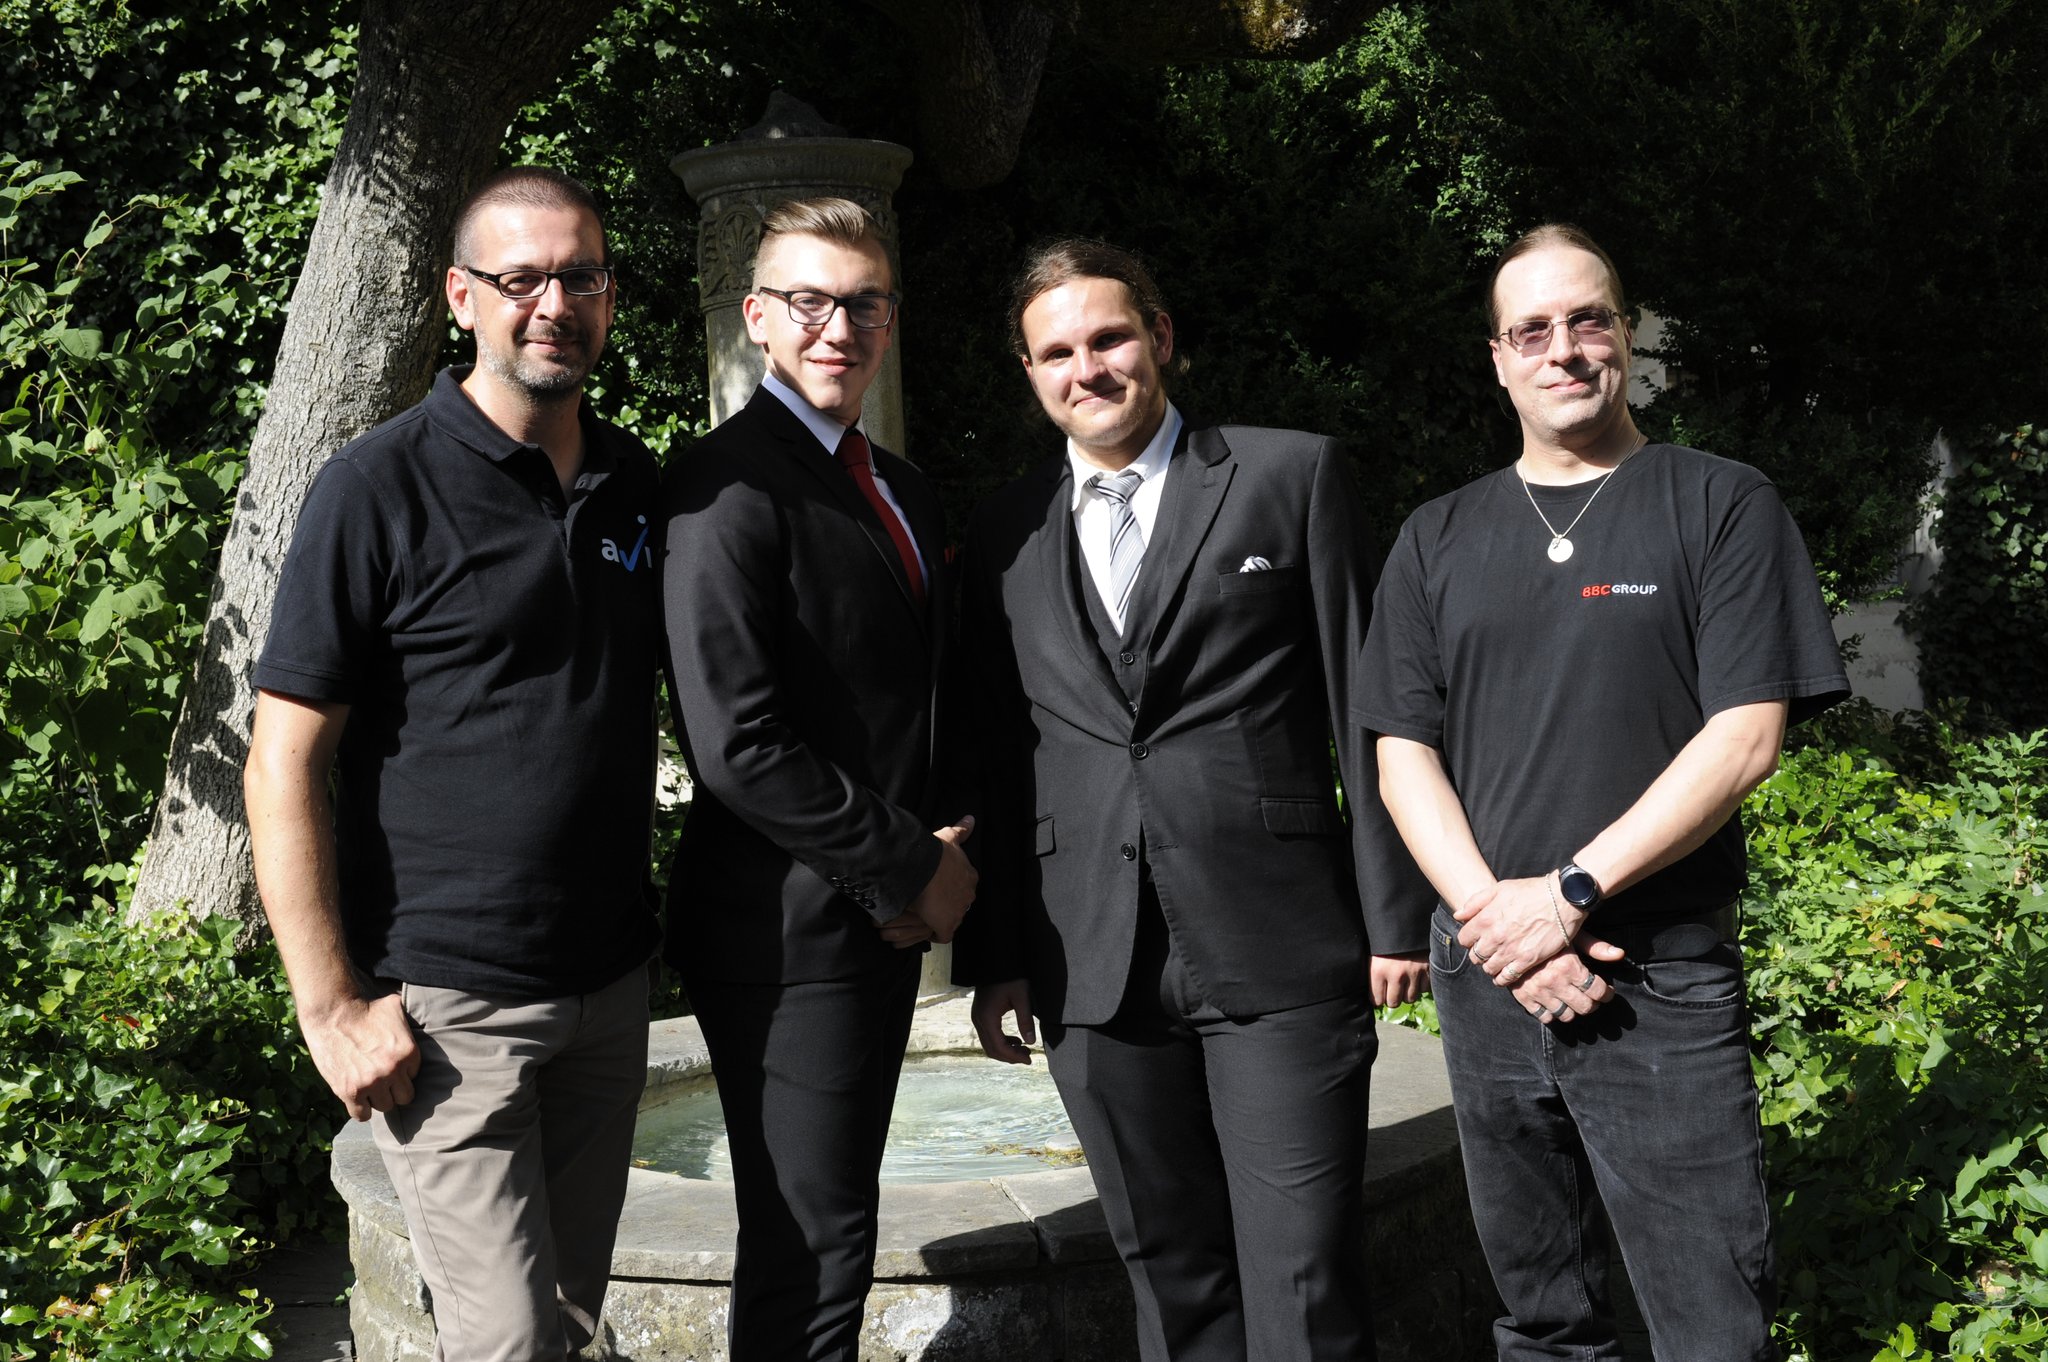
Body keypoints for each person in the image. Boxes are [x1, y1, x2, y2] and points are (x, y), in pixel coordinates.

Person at [1360, 223, 1850, 1360]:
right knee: (1542, 1322)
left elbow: (1744, 738)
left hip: (1656, 973)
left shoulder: (1719, 503)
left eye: (1587, 320)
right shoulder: (1435, 536)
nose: (1563, 349)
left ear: (1624, 335)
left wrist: (1566, 895)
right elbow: (1400, 755)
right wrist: (1503, 928)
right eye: (1531, 329)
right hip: (1489, 979)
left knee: (1709, 1323)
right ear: (1497, 358)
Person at [952, 237, 1432, 1362]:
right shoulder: (1003, 530)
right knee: (1168, 1282)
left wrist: (1395, 914)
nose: (1087, 368)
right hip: (1087, 958)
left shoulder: (1289, 475)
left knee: (1305, 1282)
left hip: (1280, 942)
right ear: (1029, 372)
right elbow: (991, 749)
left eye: (1109, 338)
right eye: (1056, 353)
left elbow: (1366, 706)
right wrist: (998, 952)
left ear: (1159, 338)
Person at [244, 166, 660, 1361]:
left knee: (565, 1330)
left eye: (578, 276)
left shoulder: (635, 483)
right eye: (520, 278)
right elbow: (281, 763)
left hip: (608, 990)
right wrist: (331, 1007)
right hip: (450, 1006)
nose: (553, 304)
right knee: (508, 1344)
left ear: (608, 296)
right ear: (460, 296)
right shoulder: (375, 487)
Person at [657, 196, 975, 1361]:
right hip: (784, 933)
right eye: (807, 302)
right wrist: (908, 869)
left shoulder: (900, 486)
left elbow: (921, 699)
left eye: (862, 304)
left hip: (876, 921)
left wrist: (955, 849)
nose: (836, 328)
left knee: (833, 1238)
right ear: (756, 317)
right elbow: (737, 743)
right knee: (810, 1257)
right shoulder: (721, 490)